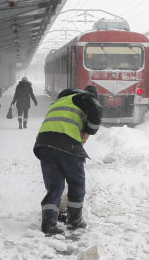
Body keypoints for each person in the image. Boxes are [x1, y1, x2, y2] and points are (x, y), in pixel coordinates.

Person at [33, 85, 103, 236]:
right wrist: (89, 130)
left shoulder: (62, 100)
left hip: (44, 144)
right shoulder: (85, 97)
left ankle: (48, 224)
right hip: (66, 141)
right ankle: (74, 221)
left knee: (55, 186)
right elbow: (96, 111)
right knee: (76, 182)